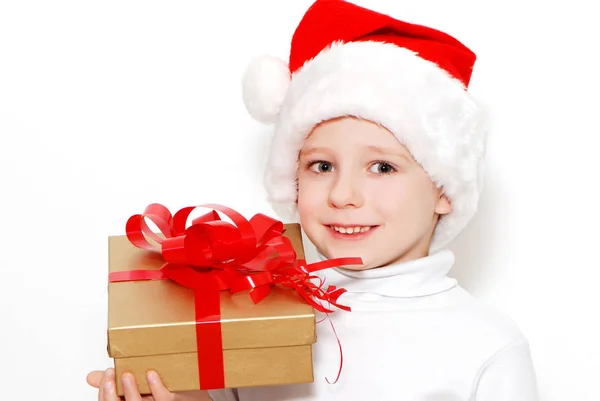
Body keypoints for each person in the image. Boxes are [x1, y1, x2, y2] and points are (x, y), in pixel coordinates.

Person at [87, 0, 539, 400]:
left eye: (382, 167)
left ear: (443, 187)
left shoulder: (486, 346)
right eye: (321, 166)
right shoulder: (254, 315)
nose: (343, 195)